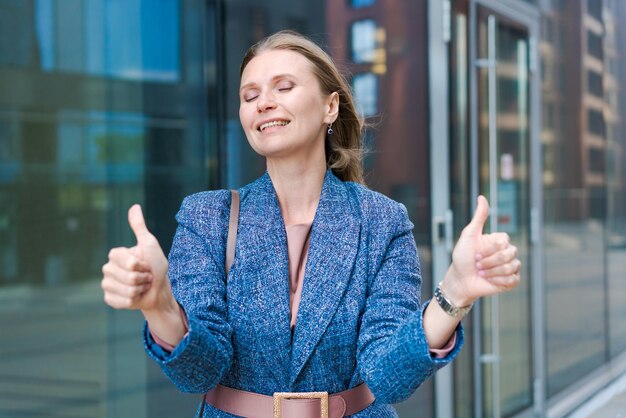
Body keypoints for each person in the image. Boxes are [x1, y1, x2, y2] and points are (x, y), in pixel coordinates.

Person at [101, 30, 521, 417]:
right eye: (250, 95)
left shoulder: (382, 221)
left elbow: (388, 377)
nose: (264, 102)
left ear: (330, 106)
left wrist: (454, 294)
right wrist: (160, 306)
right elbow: (198, 373)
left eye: (284, 87)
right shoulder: (206, 217)